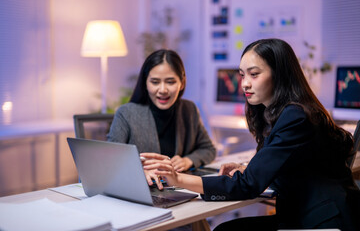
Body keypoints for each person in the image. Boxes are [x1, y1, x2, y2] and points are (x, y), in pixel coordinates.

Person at [141, 39, 360, 231]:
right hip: (303, 215)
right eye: (242, 75)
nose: (245, 83)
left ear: (279, 75)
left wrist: (178, 179)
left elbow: (247, 185)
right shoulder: (279, 113)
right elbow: (287, 164)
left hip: (322, 221)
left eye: (254, 75)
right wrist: (249, 168)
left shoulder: (296, 116)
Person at [107, 49, 216, 188]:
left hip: (179, 191)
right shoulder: (126, 113)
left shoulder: (189, 110)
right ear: (145, 83)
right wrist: (139, 172)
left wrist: (188, 160)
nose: (163, 90)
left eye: (170, 82)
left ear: (181, 83)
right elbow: (110, 161)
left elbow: (209, 149)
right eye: (155, 82)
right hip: (139, 191)